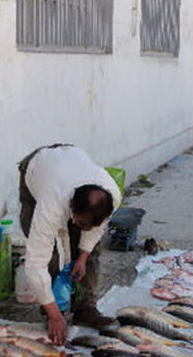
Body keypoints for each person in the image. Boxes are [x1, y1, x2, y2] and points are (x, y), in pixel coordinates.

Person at [18, 144, 121, 345]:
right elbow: (35, 263)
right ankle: (53, 310)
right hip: (37, 169)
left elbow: (95, 231)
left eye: (93, 225)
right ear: (71, 205)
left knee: (91, 250)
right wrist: (54, 314)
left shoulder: (111, 195)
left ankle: (86, 309)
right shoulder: (51, 201)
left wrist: (82, 257)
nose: (88, 229)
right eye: (82, 223)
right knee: (49, 256)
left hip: (70, 160)